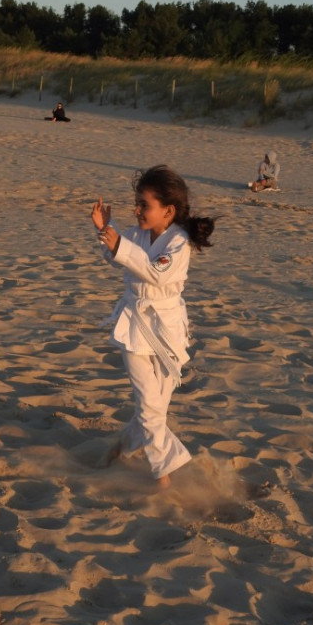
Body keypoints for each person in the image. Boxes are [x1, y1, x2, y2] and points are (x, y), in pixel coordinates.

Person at [91, 165, 216, 488]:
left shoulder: (179, 242)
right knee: (149, 406)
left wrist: (117, 243)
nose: (137, 211)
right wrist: (106, 231)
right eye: (136, 204)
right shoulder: (137, 234)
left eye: (144, 205)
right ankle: (164, 477)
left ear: (168, 211)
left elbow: (155, 273)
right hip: (135, 325)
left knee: (154, 410)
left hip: (168, 329)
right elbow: (115, 256)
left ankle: (122, 447)